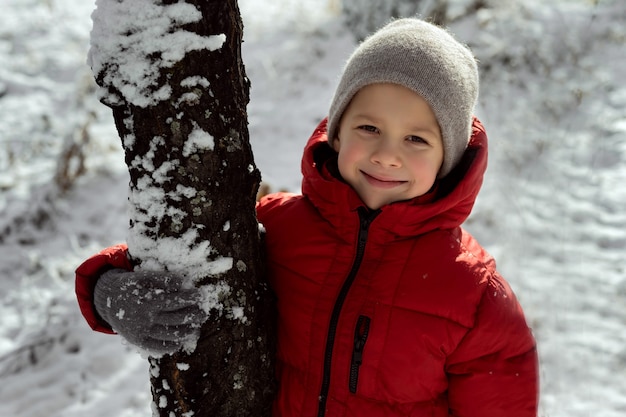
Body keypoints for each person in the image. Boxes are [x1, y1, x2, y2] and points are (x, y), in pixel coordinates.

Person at [76, 18, 539, 417]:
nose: (387, 155)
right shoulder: (279, 226)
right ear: (336, 134)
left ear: (448, 159)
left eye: (416, 139)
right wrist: (107, 291)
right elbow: (181, 249)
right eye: (369, 128)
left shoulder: (474, 297)